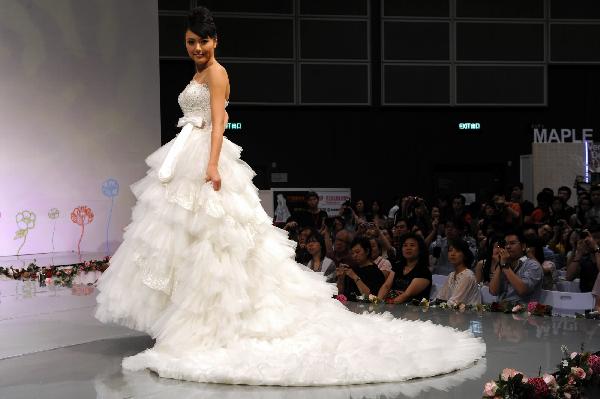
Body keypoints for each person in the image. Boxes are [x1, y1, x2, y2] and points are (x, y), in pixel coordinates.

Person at [95, 6, 484, 386]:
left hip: (204, 158)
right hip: (185, 154)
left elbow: (219, 123)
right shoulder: (198, 72)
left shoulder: (216, 72)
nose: (197, 48)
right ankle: (184, 320)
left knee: (217, 242)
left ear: (216, 40)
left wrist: (212, 165)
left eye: (203, 41)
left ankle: (215, 322)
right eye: (190, 42)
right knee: (186, 240)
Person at [489, 231, 543, 303]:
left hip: (523, 311)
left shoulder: (533, 265)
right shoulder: (503, 264)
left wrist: (504, 265)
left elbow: (522, 290)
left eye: (512, 243)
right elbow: (493, 291)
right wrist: (500, 263)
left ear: (523, 246)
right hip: (501, 309)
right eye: (506, 244)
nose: (508, 247)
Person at [380, 233, 433, 303]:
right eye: (405, 245)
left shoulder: (424, 272)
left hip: (414, 311)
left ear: (420, 249)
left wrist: (387, 306)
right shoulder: (398, 266)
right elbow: (386, 286)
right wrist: (377, 302)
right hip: (392, 305)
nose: (408, 248)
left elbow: (406, 295)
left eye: (412, 245)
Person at [435, 238, 481, 305]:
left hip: (469, 314)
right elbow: (441, 297)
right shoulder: (451, 275)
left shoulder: (467, 275)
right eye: (450, 250)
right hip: (454, 312)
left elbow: (455, 302)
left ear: (465, 255)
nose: (452, 254)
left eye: (457, 251)